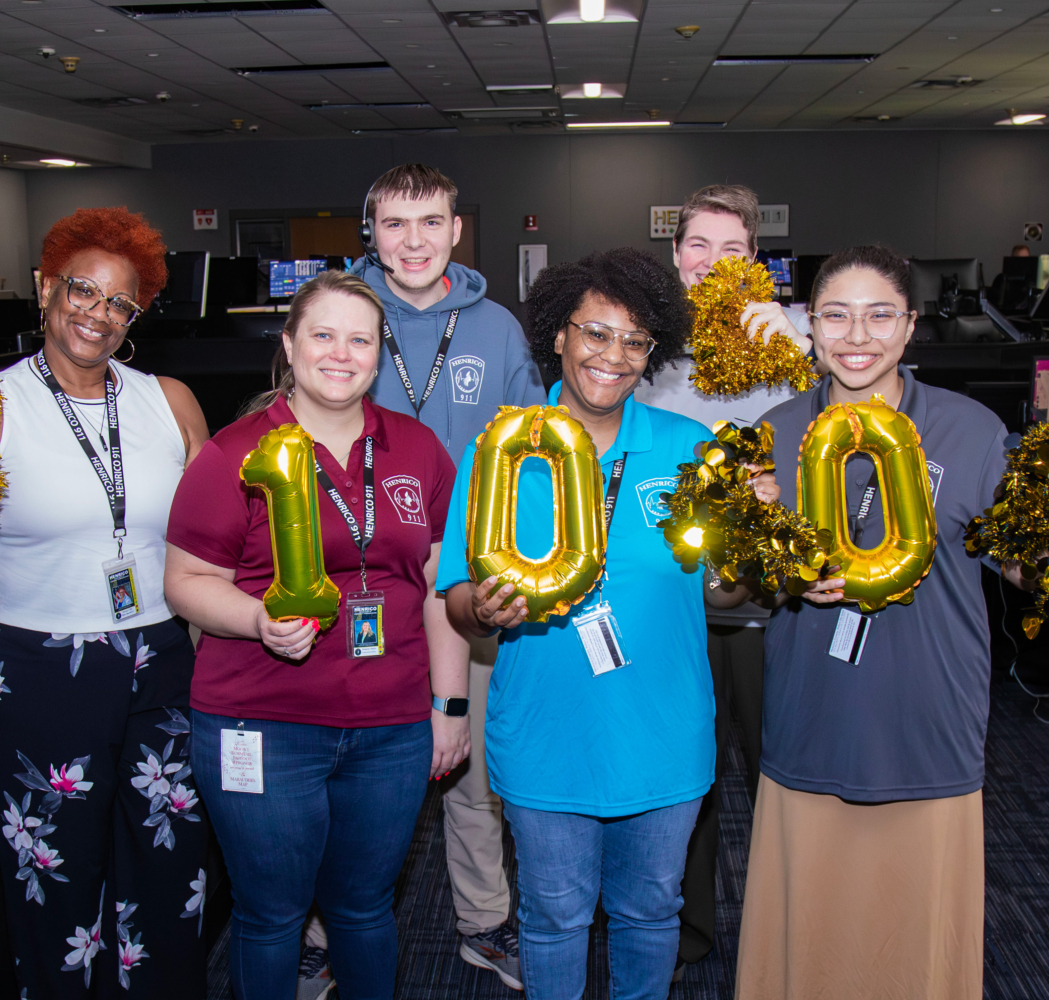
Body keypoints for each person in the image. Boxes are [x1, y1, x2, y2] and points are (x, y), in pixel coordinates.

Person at [711, 245, 1049, 1000]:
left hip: (927, 717)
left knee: (914, 946)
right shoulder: (775, 433)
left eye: (880, 314)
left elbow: (1028, 575)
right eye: (837, 316)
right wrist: (752, 546)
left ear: (910, 326)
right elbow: (727, 599)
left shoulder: (969, 429)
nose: (859, 336)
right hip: (813, 717)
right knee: (808, 937)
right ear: (809, 326)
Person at [0, 207, 213, 998]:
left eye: (117, 302)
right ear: (44, 290)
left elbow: (217, 533)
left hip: (163, 655)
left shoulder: (169, 400)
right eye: (81, 291)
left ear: (136, 316)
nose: (96, 314)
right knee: (53, 872)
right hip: (39, 662)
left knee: (171, 866)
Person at [164, 269, 470, 1000]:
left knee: (365, 907)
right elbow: (186, 581)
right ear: (290, 345)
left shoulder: (419, 450)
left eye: (360, 338)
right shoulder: (234, 453)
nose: (341, 352)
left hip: (390, 725)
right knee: (271, 915)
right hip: (263, 722)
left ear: (378, 350)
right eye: (323, 334)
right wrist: (258, 620)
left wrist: (450, 706)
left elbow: (439, 586)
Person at [437, 247, 717, 1000]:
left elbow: (722, 595)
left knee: (651, 910)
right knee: (555, 917)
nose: (614, 356)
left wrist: (753, 544)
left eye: (635, 340)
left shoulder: (691, 452)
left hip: (663, 731)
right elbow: (456, 597)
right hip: (545, 733)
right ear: (556, 336)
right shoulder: (501, 449)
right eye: (596, 333)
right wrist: (483, 612)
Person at [335, 163, 544, 994]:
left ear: (458, 230)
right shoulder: (341, 318)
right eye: (394, 224)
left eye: (430, 222)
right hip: (360, 576)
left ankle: (484, 925)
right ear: (372, 234)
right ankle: (322, 929)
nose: (413, 240)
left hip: (465, 583)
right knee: (346, 764)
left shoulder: (495, 328)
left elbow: (533, 449)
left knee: (470, 768)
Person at [632, 183, 812, 975]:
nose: (710, 262)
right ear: (677, 257)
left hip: (773, 610)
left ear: (755, 261)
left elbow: (858, 427)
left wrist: (801, 355)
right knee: (683, 784)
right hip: (676, 603)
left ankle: (796, 939)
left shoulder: (798, 340)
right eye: (697, 246)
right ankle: (686, 932)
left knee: (787, 776)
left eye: (730, 249)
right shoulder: (647, 348)